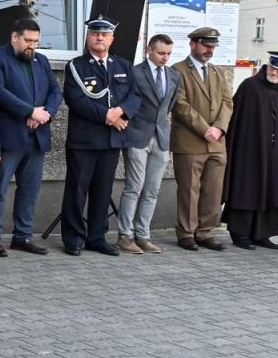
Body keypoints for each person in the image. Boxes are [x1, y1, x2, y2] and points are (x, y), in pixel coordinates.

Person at [0, 17, 61, 257]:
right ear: (15, 36)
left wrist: (44, 114)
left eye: (36, 41)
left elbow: (56, 91)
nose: (32, 46)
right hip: (9, 136)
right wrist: (29, 111)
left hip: (36, 136)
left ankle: (22, 236)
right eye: (28, 40)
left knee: (29, 189)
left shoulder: (41, 61)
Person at [60, 17, 141, 256]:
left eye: (104, 34)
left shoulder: (123, 66)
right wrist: (109, 116)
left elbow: (135, 96)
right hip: (84, 141)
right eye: (95, 34)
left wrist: (121, 112)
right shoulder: (76, 65)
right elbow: (76, 100)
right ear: (88, 37)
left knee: (103, 191)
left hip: (111, 140)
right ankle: (73, 238)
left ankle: (97, 237)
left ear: (112, 39)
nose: (99, 38)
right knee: (77, 191)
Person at [221, 51, 278, 250]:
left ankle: (263, 234)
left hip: (276, 154)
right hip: (249, 151)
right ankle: (240, 233)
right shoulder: (250, 86)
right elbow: (237, 119)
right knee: (247, 189)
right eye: (272, 68)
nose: (274, 73)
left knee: (271, 191)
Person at [170, 25, 232, 251]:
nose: (210, 50)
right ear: (193, 44)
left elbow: (227, 102)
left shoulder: (217, 72)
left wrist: (219, 128)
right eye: (206, 45)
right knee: (189, 190)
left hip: (217, 143)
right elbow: (180, 105)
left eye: (213, 46)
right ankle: (186, 233)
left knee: (213, 190)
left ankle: (205, 233)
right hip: (190, 142)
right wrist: (205, 129)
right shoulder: (177, 70)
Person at [116, 34, 180, 254]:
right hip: (137, 135)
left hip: (161, 137)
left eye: (169, 54)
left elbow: (168, 106)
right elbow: (128, 101)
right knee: (134, 187)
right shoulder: (135, 72)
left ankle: (143, 235)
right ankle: (125, 235)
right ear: (149, 51)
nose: (165, 58)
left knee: (152, 190)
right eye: (161, 53)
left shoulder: (174, 76)